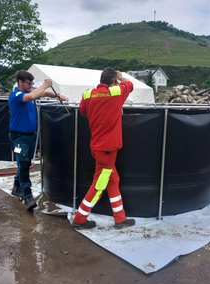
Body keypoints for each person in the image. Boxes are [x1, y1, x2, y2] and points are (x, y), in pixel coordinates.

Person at [72, 67, 136, 230]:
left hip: (98, 147)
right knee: (99, 185)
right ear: (113, 82)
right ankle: (80, 218)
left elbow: (82, 110)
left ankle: (120, 218)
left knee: (113, 180)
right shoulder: (116, 92)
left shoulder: (88, 94)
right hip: (108, 150)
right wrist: (121, 77)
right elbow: (129, 84)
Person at [9, 70, 66, 211]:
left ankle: (16, 187)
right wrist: (45, 85)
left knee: (25, 163)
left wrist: (57, 96)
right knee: (23, 164)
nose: (31, 85)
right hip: (19, 137)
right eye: (29, 83)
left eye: (32, 83)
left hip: (29, 136)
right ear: (20, 82)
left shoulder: (29, 94)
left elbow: (43, 94)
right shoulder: (16, 95)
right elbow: (35, 94)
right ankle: (27, 196)